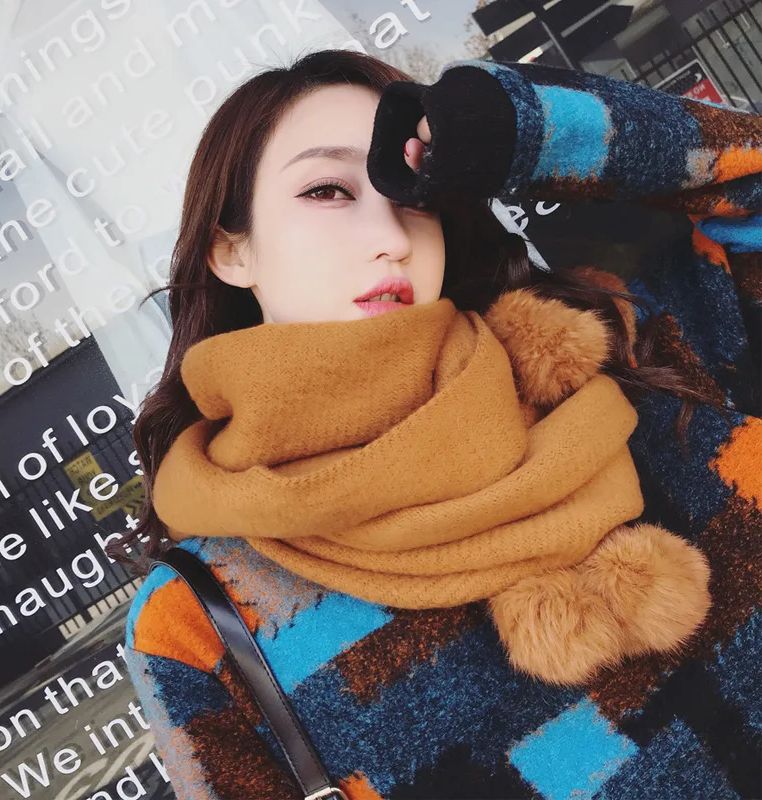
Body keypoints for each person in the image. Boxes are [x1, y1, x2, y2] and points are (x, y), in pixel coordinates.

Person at [111, 50, 761, 800]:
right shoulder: (200, 624)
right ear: (232, 250)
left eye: (412, 191)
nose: (391, 235)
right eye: (328, 190)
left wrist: (533, 129)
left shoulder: (629, 362)